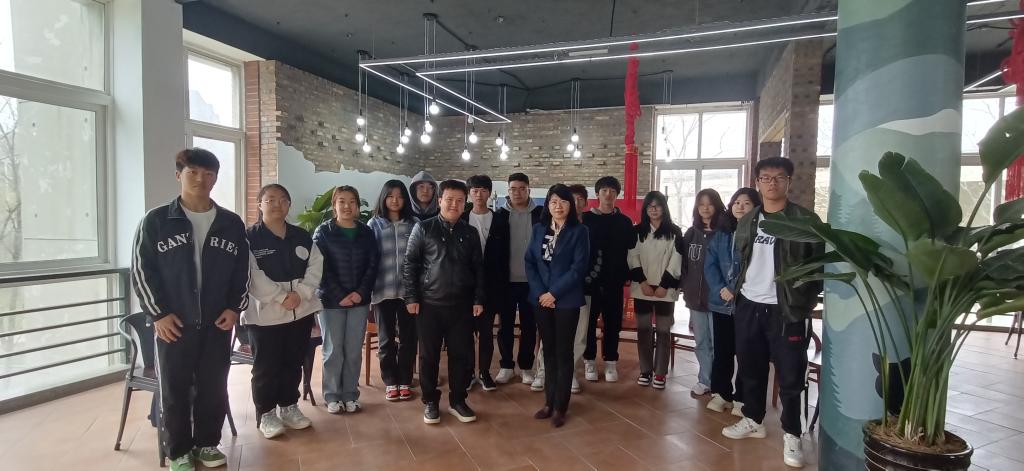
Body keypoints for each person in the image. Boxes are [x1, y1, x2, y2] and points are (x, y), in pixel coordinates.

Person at [130, 148, 249, 471]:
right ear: (178, 175)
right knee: (174, 388)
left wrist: (234, 308)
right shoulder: (156, 221)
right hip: (174, 323)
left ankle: (207, 443)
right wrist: (158, 313)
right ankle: (179, 451)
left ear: (215, 178)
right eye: (193, 172)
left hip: (217, 322)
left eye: (208, 174)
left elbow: (242, 271)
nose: (201, 179)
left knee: (214, 385)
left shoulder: (230, 223)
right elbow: (142, 271)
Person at [721, 157, 824, 469]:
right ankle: (753, 419)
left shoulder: (805, 221)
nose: (772, 183)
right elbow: (741, 260)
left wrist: (803, 300)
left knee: (792, 375)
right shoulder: (748, 220)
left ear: (789, 182)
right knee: (750, 368)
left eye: (779, 177)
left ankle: (793, 434)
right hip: (749, 304)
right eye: (766, 178)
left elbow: (819, 268)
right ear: (757, 183)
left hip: (786, 309)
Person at [243, 184, 323, 439]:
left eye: (283, 200)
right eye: (270, 199)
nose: (277, 204)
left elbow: (316, 266)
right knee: (266, 367)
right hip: (265, 314)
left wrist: (301, 293)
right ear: (260, 204)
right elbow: (252, 274)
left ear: (289, 205)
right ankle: (266, 413)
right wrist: (281, 297)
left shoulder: (302, 235)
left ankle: (289, 407)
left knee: (293, 362)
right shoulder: (249, 238)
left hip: (300, 310)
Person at [403, 179, 485, 424]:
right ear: (439, 201)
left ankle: (458, 401)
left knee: (462, 356)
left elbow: (478, 269)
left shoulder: (470, 232)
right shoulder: (423, 228)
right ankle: (430, 401)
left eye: (459, 201)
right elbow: (410, 264)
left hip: (461, 306)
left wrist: (478, 298)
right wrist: (411, 297)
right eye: (449, 199)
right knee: (429, 357)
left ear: (465, 203)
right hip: (429, 304)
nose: (454, 205)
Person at [525, 184, 590, 428]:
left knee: (563, 352)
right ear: (547, 205)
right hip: (541, 299)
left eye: (563, 201)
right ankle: (548, 402)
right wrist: (541, 293)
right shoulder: (538, 229)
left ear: (570, 205)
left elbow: (578, 268)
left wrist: (554, 293)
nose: (558, 206)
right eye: (553, 201)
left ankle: (561, 406)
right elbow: (530, 262)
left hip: (566, 300)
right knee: (548, 351)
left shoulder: (579, 231)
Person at [313, 186, 380, 414]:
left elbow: (373, 265)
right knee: (333, 350)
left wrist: (360, 292)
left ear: (358, 206)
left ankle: (350, 394)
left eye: (352, 201)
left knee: (353, 350)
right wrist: (340, 294)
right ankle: (332, 396)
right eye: (342, 201)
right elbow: (319, 267)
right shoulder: (323, 232)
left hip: (359, 301)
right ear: (334, 205)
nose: (347, 206)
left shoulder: (366, 232)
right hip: (331, 302)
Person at [704, 187, 761, 416]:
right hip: (721, 303)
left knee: (746, 353)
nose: (740, 207)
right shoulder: (722, 232)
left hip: (746, 302)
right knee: (723, 350)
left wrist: (734, 289)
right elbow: (710, 264)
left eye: (746, 203)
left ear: (756, 207)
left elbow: (756, 267)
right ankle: (722, 393)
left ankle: (742, 398)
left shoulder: (759, 233)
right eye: (737, 202)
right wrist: (721, 288)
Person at [368, 180, 419, 401]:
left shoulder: (414, 224)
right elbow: (369, 259)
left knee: (408, 339)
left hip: (409, 293)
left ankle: (405, 380)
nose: (395, 200)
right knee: (386, 339)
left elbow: (420, 258)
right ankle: (390, 381)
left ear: (406, 199)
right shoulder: (374, 224)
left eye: (399, 196)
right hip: (382, 290)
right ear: (384, 198)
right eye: (390, 196)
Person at [581, 176, 635, 382]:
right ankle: (589, 360)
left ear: (617, 195)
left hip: (614, 283)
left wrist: (625, 276)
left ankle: (611, 361)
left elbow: (631, 251)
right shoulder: (586, 219)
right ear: (597, 194)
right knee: (588, 324)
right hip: (589, 283)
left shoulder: (624, 222)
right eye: (604, 190)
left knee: (613, 324)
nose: (608, 194)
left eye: (612, 191)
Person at [627, 191, 683, 390]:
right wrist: (642, 282)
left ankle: (660, 372)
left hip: (665, 291)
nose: (653, 209)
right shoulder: (637, 231)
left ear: (664, 208)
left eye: (657, 205)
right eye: (650, 206)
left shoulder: (674, 232)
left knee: (663, 331)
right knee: (643, 331)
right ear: (645, 209)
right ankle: (645, 370)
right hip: (642, 289)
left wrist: (664, 286)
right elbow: (632, 256)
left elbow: (676, 259)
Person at [494, 173, 543, 385]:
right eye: (513, 189)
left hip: (532, 282)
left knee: (529, 325)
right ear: (508, 191)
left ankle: (526, 367)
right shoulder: (499, 216)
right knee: (505, 325)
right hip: (506, 281)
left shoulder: (540, 215)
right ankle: (506, 366)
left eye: (522, 188)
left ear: (529, 190)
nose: (518, 192)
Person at [462, 175, 508, 392]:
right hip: (465, 285)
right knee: (466, 333)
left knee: (486, 332)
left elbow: (505, 254)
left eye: (483, 190)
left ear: (489, 193)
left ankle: (484, 372)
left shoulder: (500, 220)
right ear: (469, 194)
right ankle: (469, 373)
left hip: (491, 286)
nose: (479, 195)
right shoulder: (461, 218)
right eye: (474, 190)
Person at [680, 189, 726, 396]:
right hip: (695, 298)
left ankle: (719, 382)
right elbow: (683, 264)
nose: (705, 208)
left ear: (717, 206)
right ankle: (704, 379)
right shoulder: (692, 233)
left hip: (718, 300)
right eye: (701, 204)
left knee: (719, 343)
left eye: (710, 204)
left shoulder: (725, 233)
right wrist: (685, 286)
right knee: (701, 342)